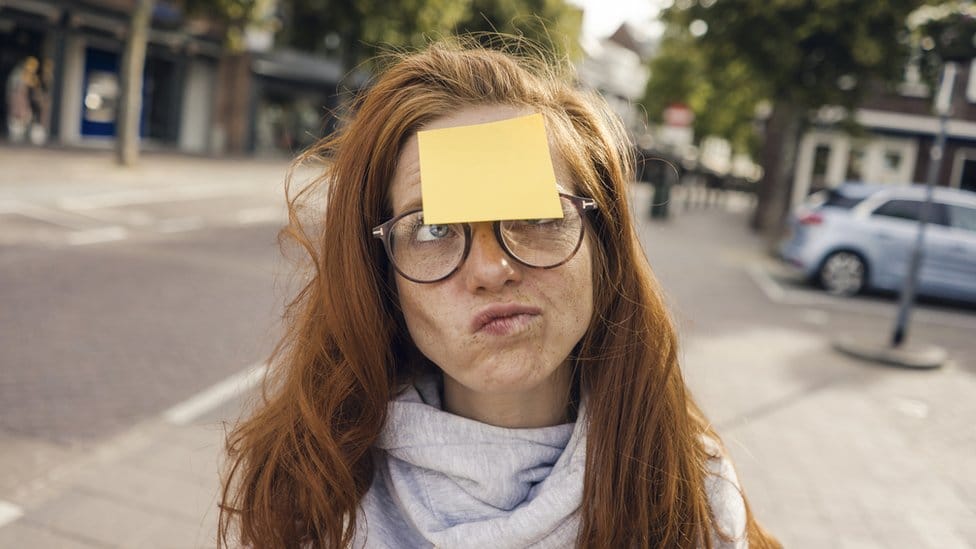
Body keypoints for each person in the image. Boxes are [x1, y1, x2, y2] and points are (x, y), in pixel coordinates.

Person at [219, 37, 781, 549]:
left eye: (537, 215)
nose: (492, 269)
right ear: (378, 275)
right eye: (433, 229)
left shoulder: (694, 499)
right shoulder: (311, 497)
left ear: (601, 248)